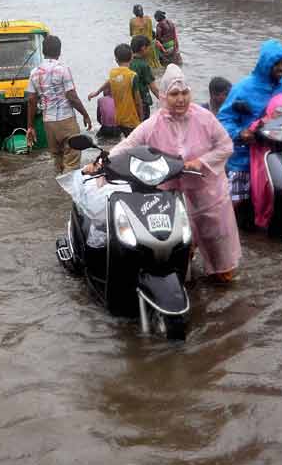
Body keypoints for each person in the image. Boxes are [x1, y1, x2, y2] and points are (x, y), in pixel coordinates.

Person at [99, 64, 241, 282]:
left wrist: (200, 162)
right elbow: (128, 145)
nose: (181, 99)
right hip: (172, 195)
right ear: (164, 96)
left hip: (208, 193)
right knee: (178, 248)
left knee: (220, 257)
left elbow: (225, 147)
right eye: (174, 94)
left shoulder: (204, 118)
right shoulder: (153, 124)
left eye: (185, 93)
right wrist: (102, 162)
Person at [218, 40, 282, 212]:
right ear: (266, 63)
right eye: (277, 63)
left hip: (281, 153)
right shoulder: (242, 88)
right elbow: (224, 119)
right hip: (245, 156)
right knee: (238, 207)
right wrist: (240, 133)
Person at [26, 35, 92, 174]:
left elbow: (31, 100)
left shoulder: (34, 73)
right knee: (72, 159)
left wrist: (30, 126)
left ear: (43, 51)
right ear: (59, 51)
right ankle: (69, 193)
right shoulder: (63, 69)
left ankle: (59, 191)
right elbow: (71, 96)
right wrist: (85, 115)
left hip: (48, 123)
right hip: (66, 120)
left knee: (58, 159)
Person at [248, 93, 282, 230]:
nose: (281, 115)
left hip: (281, 161)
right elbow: (251, 134)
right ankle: (261, 221)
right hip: (261, 162)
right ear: (271, 109)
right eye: (279, 112)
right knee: (262, 190)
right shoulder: (261, 124)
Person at [88, 43, 141, 137]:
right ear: (132, 57)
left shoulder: (113, 73)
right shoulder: (133, 76)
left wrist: (97, 92)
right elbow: (138, 101)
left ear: (116, 59)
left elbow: (109, 81)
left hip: (119, 119)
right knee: (135, 144)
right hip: (131, 119)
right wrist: (141, 118)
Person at [129, 35, 159, 121]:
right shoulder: (144, 65)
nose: (150, 50)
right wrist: (166, 102)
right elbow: (154, 88)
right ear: (143, 48)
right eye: (149, 48)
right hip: (142, 102)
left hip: (130, 102)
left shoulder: (127, 63)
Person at [129, 4, 161, 69]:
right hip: (150, 46)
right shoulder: (148, 19)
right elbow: (152, 32)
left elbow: (132, 34)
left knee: (142, 65)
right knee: (154, 65)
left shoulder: (132, 21)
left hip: (139, 48)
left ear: (134, 12)